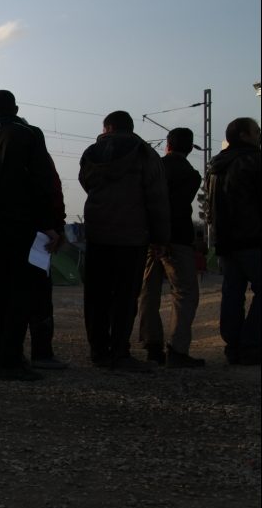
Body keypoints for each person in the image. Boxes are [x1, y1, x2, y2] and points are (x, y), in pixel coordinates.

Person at [0, 90, 58, 381]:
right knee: (23, 293)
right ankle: (12, 361)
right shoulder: (30, 134)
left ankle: (1, 358)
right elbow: (44, 180)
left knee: (1, 294)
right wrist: (51, 223)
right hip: (26, 225)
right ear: (16, 108)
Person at [79, 110, 169, 371]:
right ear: (130, 128)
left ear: (107, 128)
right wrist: (160, 236)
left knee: (96, 296)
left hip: (97, 233)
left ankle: (98, 351)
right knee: (125, 297)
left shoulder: (91, 153)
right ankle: (120, 352)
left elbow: (86, 182)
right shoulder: (144, 153)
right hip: (132, 236)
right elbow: (156, 197)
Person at [136, 127, 205, 368]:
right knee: (185, 292)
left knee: (148, 290)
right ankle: (177, 349)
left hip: (149, 237)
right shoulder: (192, 175)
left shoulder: (153, 167)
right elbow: (176, 206)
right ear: (189, 147)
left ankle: (152, 344)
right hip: (177, 239)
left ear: (167, 144)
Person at [206, 117, 261, 366]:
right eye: (256, 131)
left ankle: (233, 344)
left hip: (225, 240)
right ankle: (251, 343)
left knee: (232, 293)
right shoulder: (254, 161)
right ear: (244, 135)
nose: (259, 135)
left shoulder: (216, 166)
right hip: (252, 237)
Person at [27, 145, 69, 370]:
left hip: (7, 235)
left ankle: (7, 354)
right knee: (40, 297)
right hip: (40, 238)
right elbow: (53, 192)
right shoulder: (41, 160)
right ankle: (42, 353)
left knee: (12, 298)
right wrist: (56, 226)